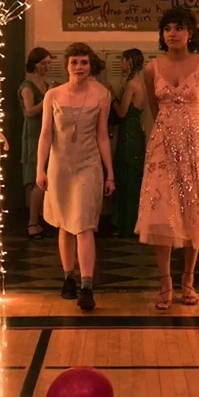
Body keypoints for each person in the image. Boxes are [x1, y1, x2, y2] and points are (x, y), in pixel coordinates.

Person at [136, 6, 199, 310]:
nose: (172, 34)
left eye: (178, 28)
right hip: (162, 147)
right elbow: (155, 109)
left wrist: (196, 137)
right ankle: (165, 282)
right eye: (167, 29)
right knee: (161, 210)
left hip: (196, 147)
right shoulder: (151, 69)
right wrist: (170, 134)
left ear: (190, 33)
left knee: (194, 210)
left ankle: (189, 279)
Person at [35, 43, 114, 310]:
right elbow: (45, 134)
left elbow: (102, 136)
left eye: (84, 62)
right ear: (67, 65)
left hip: (88, 165)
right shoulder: (53, 95)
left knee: (84, 224)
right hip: (60, 166)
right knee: (65, 223)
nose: (79, 67)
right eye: (74, 62)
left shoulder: (102, 94)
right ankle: (68, 276)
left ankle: (87, 285)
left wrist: (110, 173)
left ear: (91, 65)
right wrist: (40, 168)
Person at [112, 49, 147, 239]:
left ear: (129, 62)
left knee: (125, 177)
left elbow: (122, 112)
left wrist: (111, 97)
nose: (121, 64)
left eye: (122, 60)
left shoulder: (131, 84)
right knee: (134, 177)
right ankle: (133, 223)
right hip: (136, 131)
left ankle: (125, 225)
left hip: (128, 132)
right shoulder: (141, 81)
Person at [19, 47, 53, 240]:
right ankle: (32, 222)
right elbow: (30, 111)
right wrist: (48, 98)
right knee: (36, 178)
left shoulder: (44, 84)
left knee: (45, 177)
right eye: (43, 63)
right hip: (33, 134)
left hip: (45, 132)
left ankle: (41, 219)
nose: (46, 67)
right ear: (34, 64)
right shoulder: (28, 85)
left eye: (49, 63)